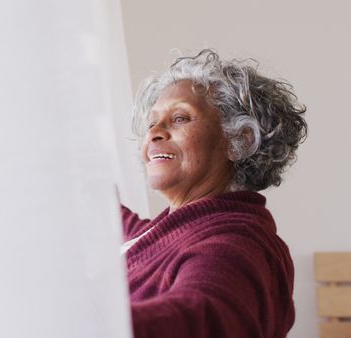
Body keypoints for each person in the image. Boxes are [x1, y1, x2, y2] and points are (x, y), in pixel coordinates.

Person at [121, 49, 307, 338]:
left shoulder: (235, 244)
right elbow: (116, 222)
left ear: (239, 141)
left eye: (180, 118)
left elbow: (199, 319)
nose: (154, 132)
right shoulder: (177, 231)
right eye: (151, 122)